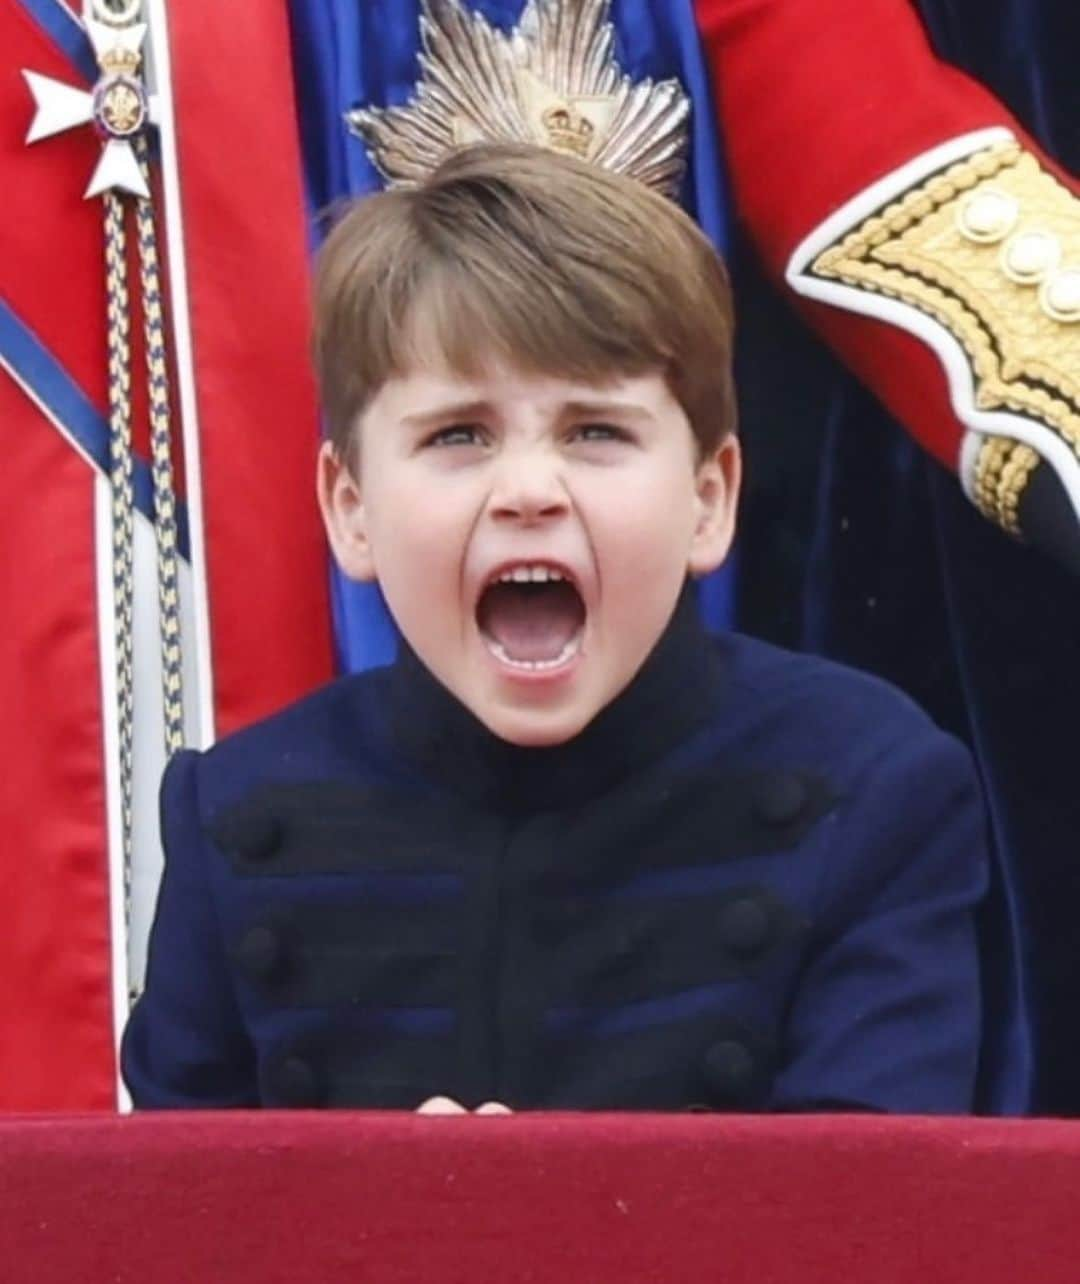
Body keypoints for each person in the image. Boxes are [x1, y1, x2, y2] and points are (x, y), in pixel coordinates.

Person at [122, 142, 986, 1113]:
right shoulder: (232, 814)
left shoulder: (872, 788)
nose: (529, 490)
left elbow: (883, 1230)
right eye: (459, 435)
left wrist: (540, 1228)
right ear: (350, 507)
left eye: (595, 432)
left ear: (710, 499)